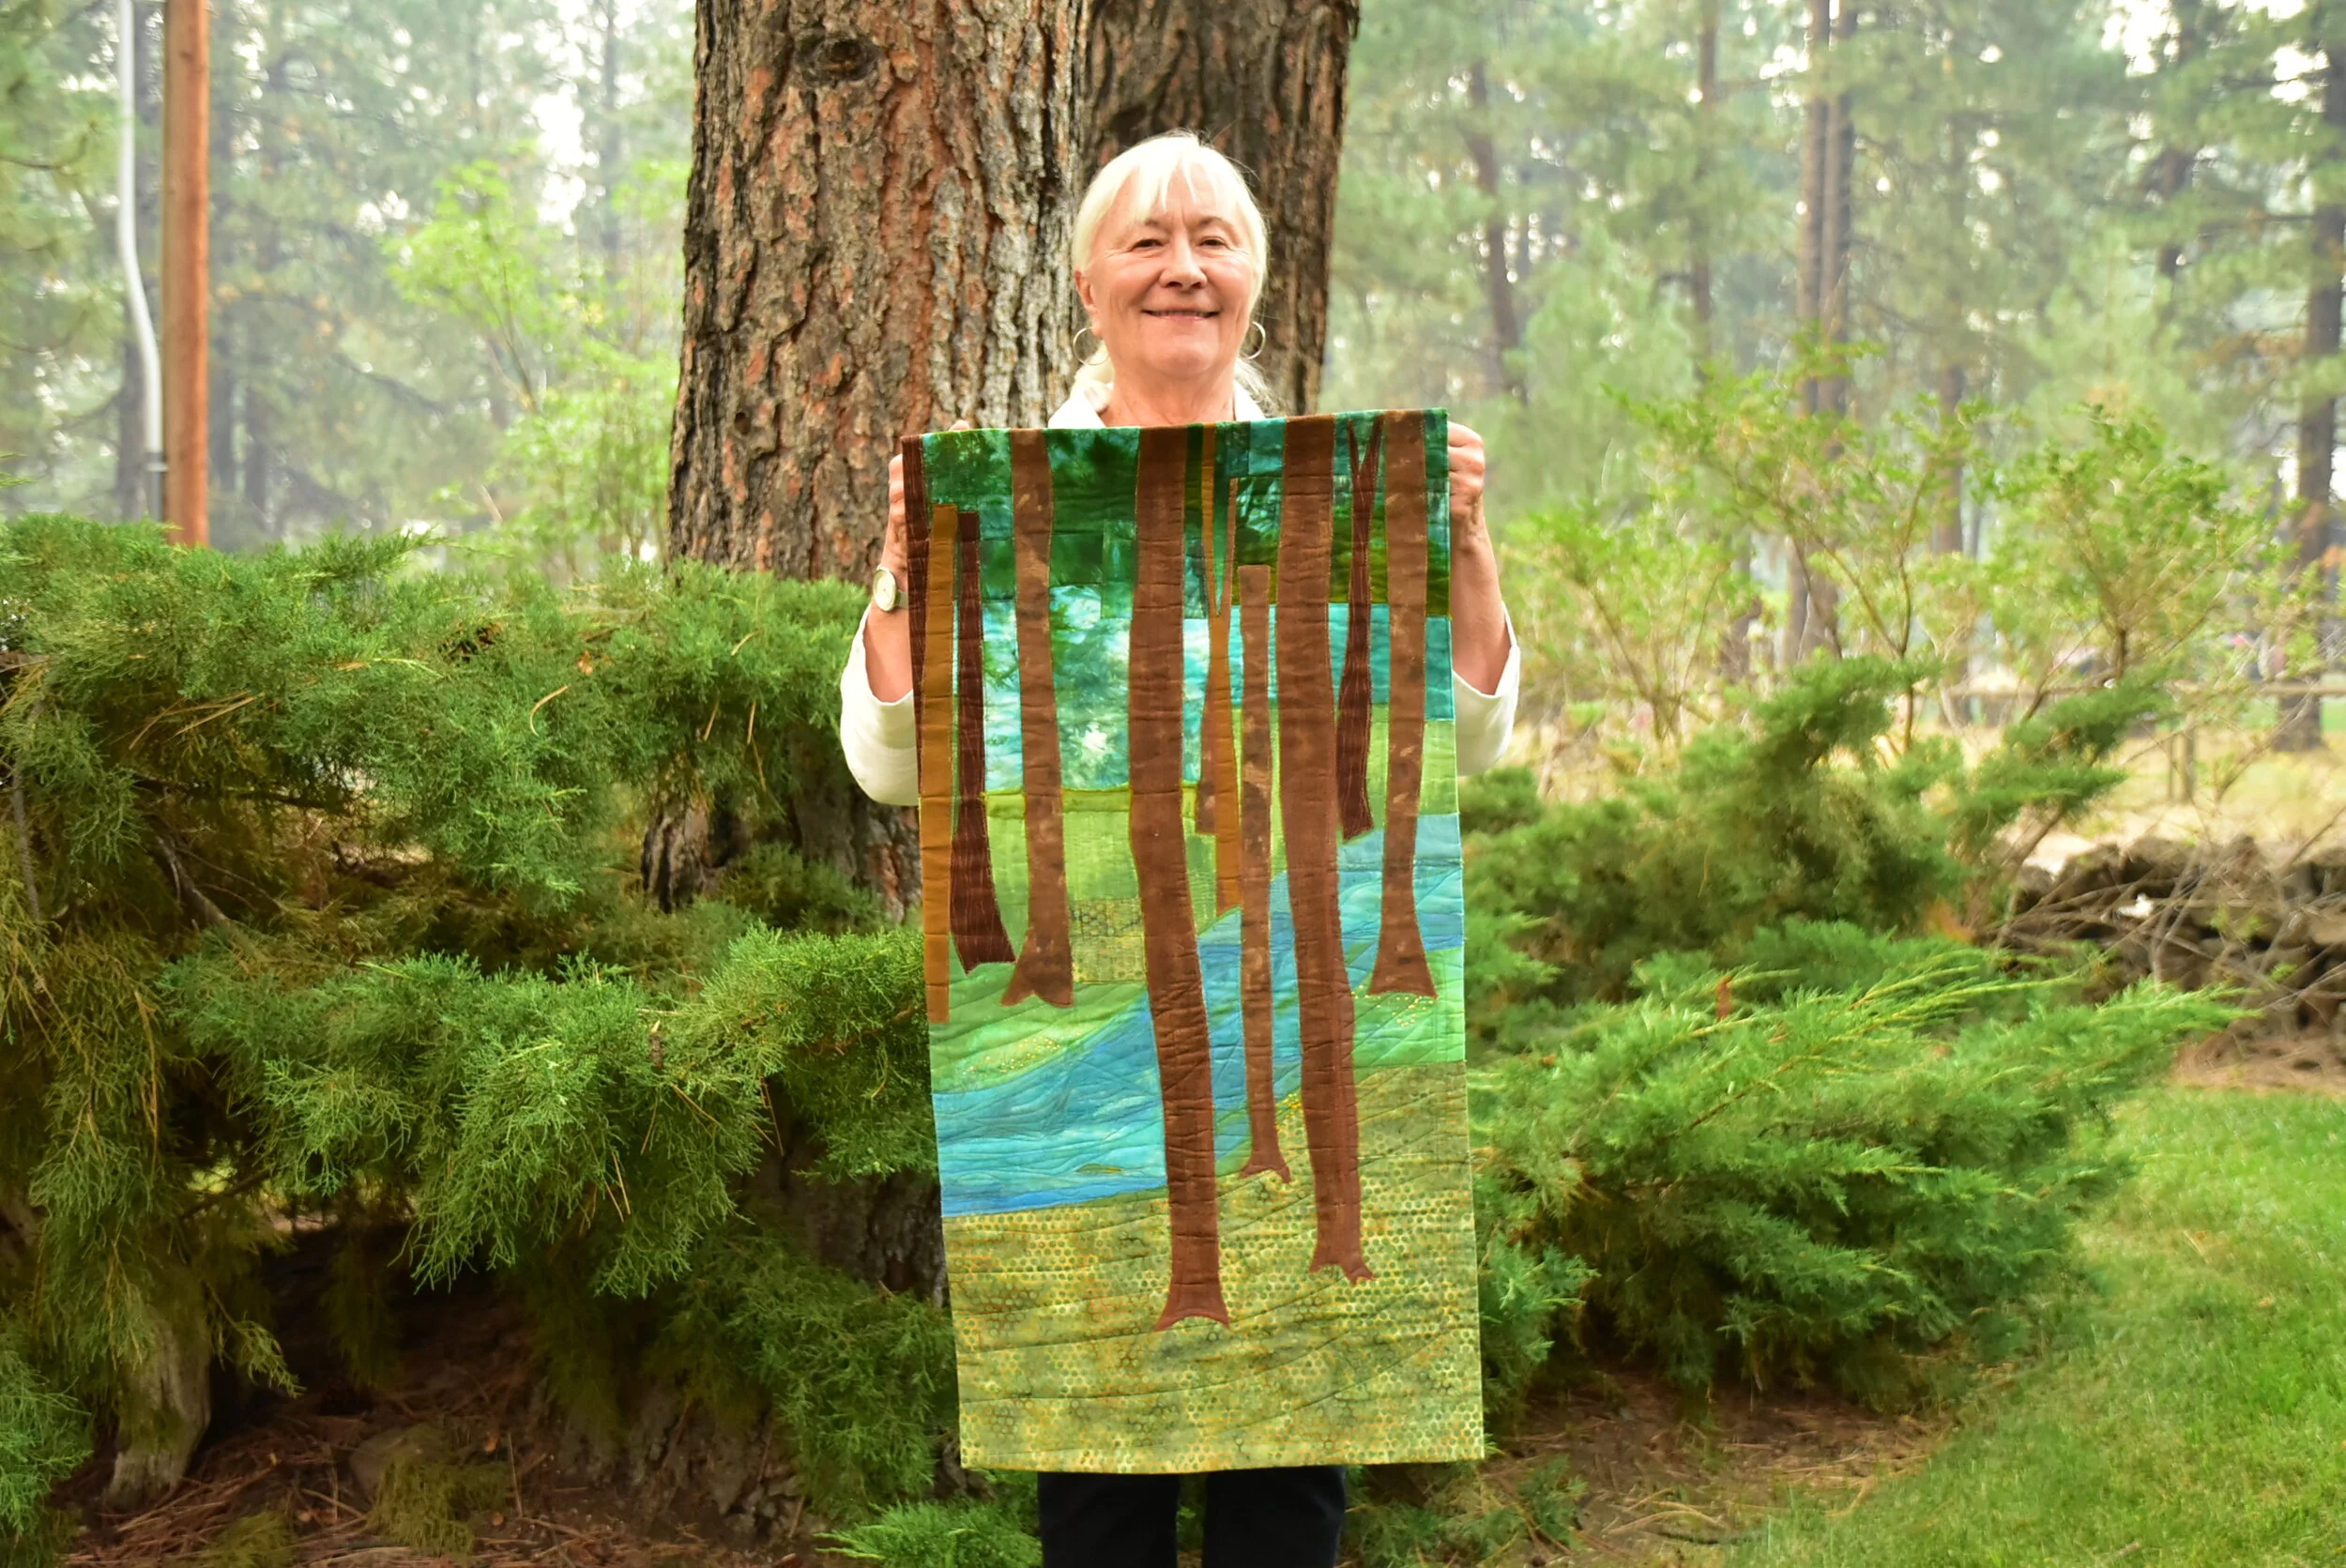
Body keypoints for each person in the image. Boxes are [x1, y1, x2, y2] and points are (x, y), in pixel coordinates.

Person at [834, 131, 1520, 1568]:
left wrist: (1459, 548)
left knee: (1292, 1473)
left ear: (1257, 277)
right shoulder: (1007, 500)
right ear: (1087, 282)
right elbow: (890, 764)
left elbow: (1472, 736)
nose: (1182, 269)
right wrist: (906, 572)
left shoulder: (1331, 495)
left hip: (1293, 1028)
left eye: (1214, 239)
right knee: (1099, 1485)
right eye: (1146, 242)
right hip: (1085, 1038)